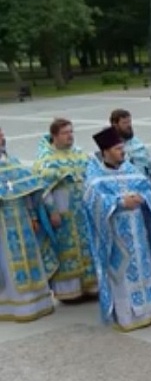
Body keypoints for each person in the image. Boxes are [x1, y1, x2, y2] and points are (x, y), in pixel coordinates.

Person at [84, 127, 151, 332]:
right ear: (106, 151)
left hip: (139, 234)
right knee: (123, 276)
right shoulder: (95, 176)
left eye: (122, 148)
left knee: (143, 268)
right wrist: (119, 203)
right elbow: (92, 202)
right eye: (118, 149)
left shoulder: (130, 169)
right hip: (116, 238)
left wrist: (144, 198)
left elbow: (147, 187)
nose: (122, 152)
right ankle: (127, 316)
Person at [34, 118, 98, 302]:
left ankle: (91, 286)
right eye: (65, 133)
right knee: (66, 248)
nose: (70, 136)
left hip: (82, 209)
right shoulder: (46, 159)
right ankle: (70, 291)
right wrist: (52, 211)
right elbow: (43, 188)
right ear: (55, 136)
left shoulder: (79, 153)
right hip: (63, 210)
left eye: (71, 132)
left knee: (87, 246)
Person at [0, 127, 56, 322]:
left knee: (31, 258)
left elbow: (29, 193)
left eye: (2, 134)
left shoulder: (13, 163)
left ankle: (38, 303)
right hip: (3, 227)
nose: (2, 138)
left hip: (23, 220)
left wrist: (33, 215)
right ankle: (13, 308)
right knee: (9, 266)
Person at [110, 109, 151, 177]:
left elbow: (149, 166)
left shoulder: (137, 142)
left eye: (129, 122)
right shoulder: (110, 147)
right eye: (124, 123)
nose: (129, 125)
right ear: (115, 125)